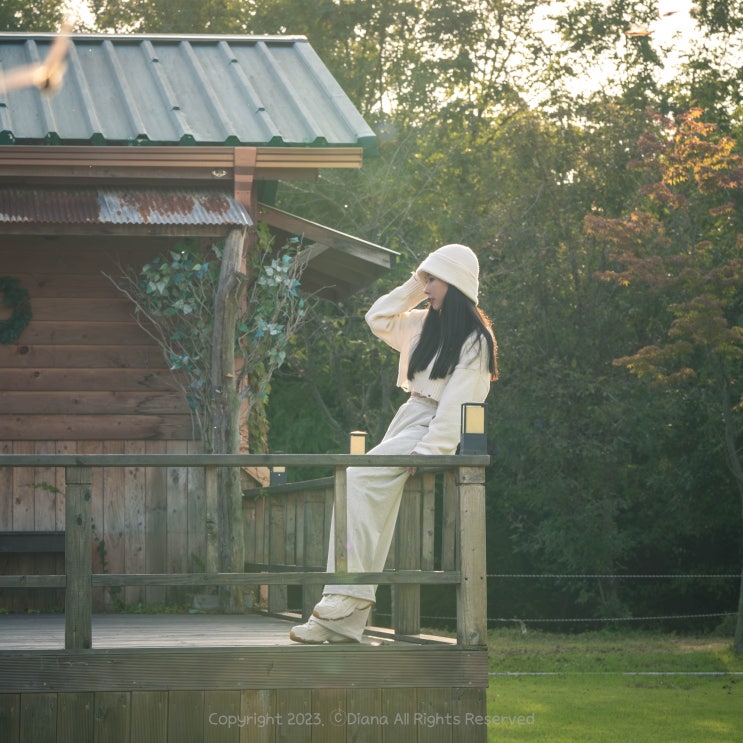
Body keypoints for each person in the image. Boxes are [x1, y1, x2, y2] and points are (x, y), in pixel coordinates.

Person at [289, 243, 498, 644]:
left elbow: (460, 405)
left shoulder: (476, 340)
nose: (427, 286)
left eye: (433, 279)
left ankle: (347, 594)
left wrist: (429, 451)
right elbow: (377, 316)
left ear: (454, 283)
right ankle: (342, 619)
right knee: (353, 487)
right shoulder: (424, 324)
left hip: (430, 430)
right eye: (425, 279)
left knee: (356, 479)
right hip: (407, 421)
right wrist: (415, 285)